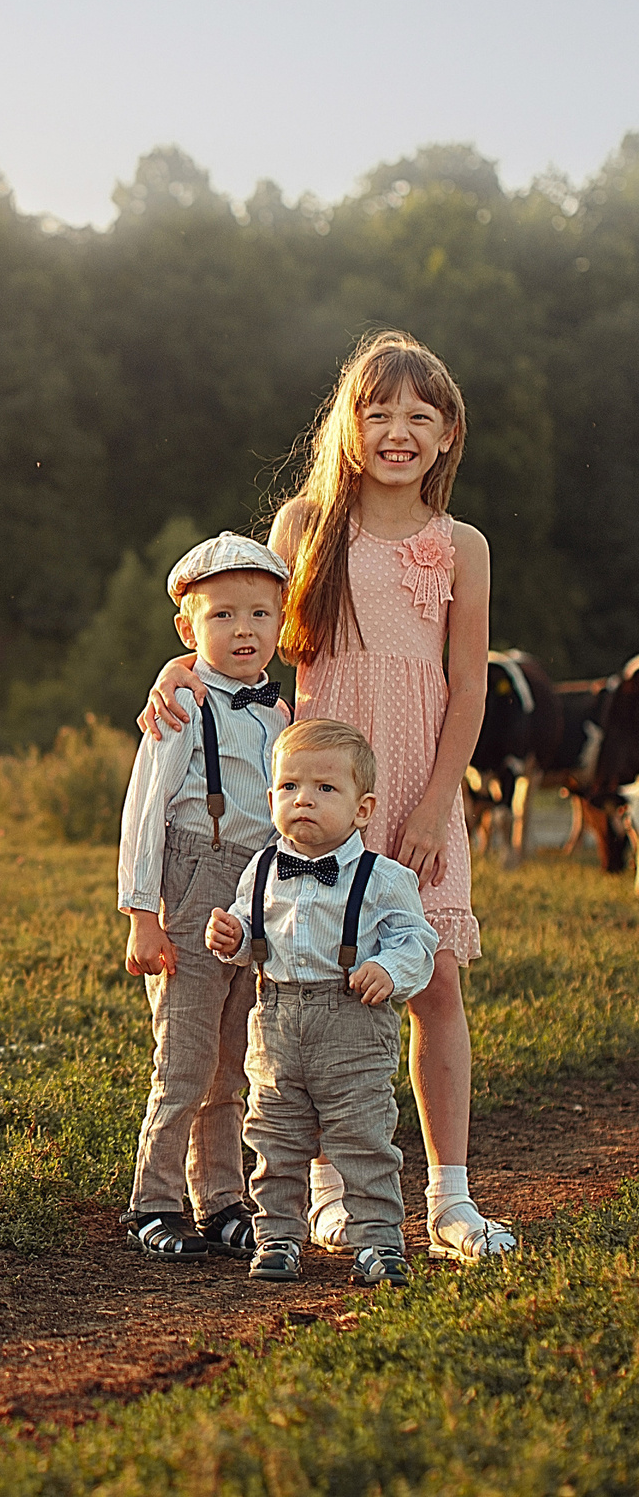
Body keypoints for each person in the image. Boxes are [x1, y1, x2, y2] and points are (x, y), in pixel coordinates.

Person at [143, 330, 516, 1262]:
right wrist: (175, 667)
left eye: (419, 416)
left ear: (447, 434)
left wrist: (435, 804)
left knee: (432, 983)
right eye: (378, 411)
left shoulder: (460, 545)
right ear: (348, 426)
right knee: (303, 976)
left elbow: (466, 687)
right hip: (317, 785)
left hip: (416, 786)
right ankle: (326, 1193)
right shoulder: (304, 526)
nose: (397, 429)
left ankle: (449, 1199)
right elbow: (246, 637)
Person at [206, 719, 439, 1286]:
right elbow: (253, 924)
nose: (303, 799)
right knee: (274, 1135)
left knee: (361, 1135)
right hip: (277, 1018)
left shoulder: (384, 878)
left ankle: (379, 1241)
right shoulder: (262, 868)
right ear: (270, 799)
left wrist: (388, 968)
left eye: (324, 789)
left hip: (351, 1021)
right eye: (289, 787)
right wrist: (234, 937)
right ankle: (278, 1235)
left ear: (363, 810)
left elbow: (418, 941)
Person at [116, 532, 292, 1262]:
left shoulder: (282, 715)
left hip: (260, 891)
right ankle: (153, 1202)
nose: (244, 630)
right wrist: (142, 916)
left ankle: (221, 1199)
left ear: (281, 622)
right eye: (223, 616)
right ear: (189, 631)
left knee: (234, 1058)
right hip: (195, 881)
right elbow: (144, 810)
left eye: (258, 613)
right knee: (184, 1059)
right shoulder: (182, 704)